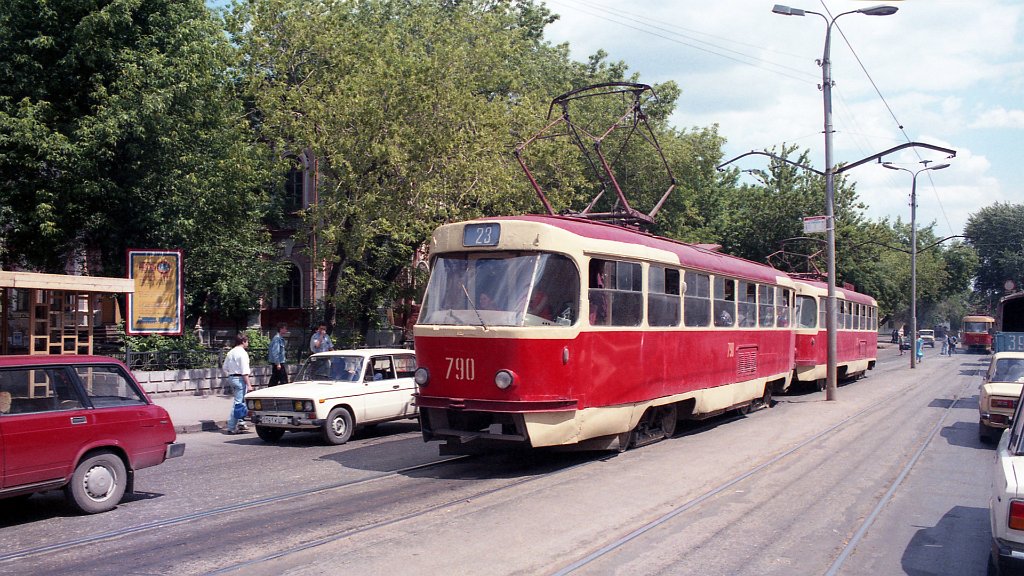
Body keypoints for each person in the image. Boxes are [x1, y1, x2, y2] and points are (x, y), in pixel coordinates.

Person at [223, 333, 253, 434]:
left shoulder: (231, 352)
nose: (247, 343)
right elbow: (244, 371)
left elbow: (225, 367)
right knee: (238, 404)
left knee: (241, 402)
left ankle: (241, 423)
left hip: (232, 378)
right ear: (243, 342)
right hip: (240, 379)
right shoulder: (243, 353)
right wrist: (249, 384)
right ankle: (231, 427)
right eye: (247, 341)